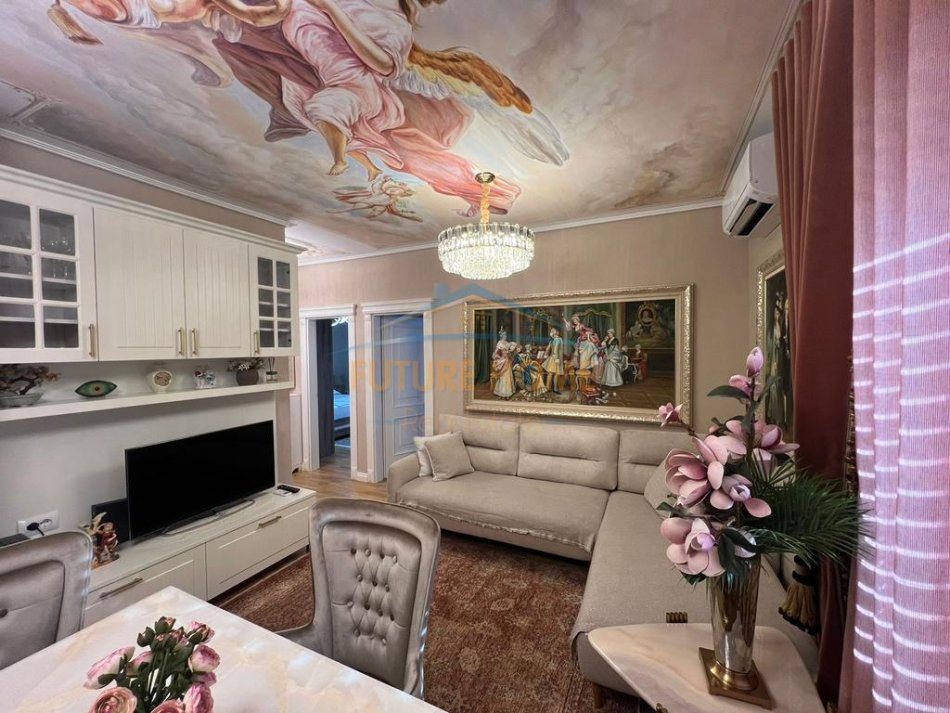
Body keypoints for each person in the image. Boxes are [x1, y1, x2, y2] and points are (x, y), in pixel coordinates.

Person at [491, 330, 515, 399]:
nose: (506, 336)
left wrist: (510, 352)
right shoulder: (500, 343)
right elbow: (495, 354)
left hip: (508, 361)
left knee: (508, 376)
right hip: (503, 362)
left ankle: (508, 393)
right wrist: (501, 358)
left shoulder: (507, 343)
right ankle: (502, 392)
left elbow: (511, 349)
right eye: (504, 335)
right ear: (501, 336)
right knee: (504, 377)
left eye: (506, 335)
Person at [541, 327, 564, 394]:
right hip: (556, 358)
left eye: (553, 331)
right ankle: (551, 388)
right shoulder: (558, 339)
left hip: (553, 358)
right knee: (553, 374)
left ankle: (550, 388)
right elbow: (555, 350)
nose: (551, 332)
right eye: (551, 331)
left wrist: (546, 355)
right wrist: (557, 358)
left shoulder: (553, 340)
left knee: (552, 374)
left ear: (556, 332)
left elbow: (547, 349)